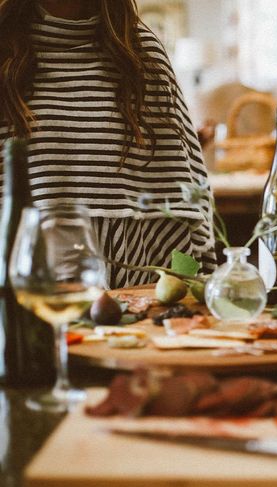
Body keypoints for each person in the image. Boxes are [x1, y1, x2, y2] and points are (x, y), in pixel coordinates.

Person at [0, 0, 216, 289]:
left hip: (133, 278)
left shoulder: (142, 51)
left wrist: (205, 284)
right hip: (23, 277)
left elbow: (187, 192)